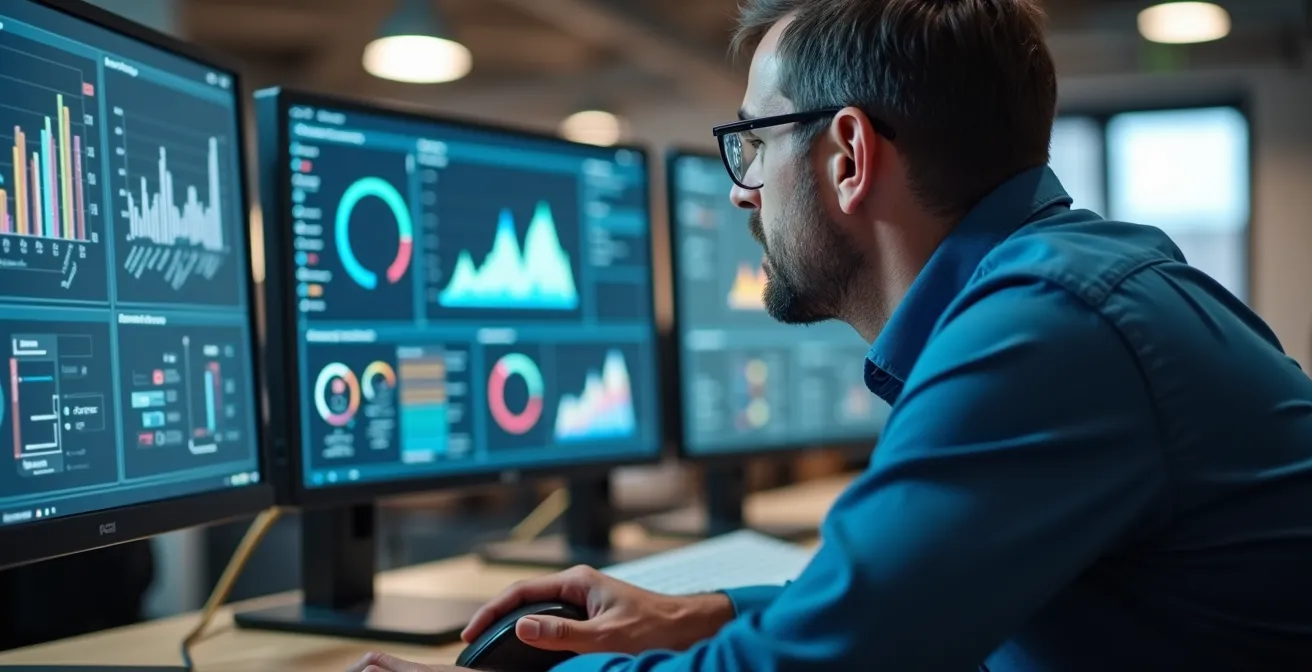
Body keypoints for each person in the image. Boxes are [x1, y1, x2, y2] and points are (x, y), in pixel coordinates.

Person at [350, 0, 1312, 670]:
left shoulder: (1044, 330)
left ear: (848, 155)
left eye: (754, 143)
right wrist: (702, 613)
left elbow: (821, 666)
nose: (741, 190)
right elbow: (908, 609)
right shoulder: (1074, 285)